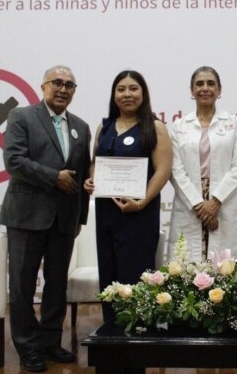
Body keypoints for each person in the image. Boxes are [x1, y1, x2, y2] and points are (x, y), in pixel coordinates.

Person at [0, 66, 91, 373]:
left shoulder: (81, 127)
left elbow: (82, 173)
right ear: (43, 86)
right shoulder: (21, 116)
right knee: (22, 285)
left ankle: (51, 341)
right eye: (57, 83)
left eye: (70, 85)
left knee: (56, 285)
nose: (63, 89)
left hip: (64, 219)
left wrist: (80, 218)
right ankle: (28, 346)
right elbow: (14, 161)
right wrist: (54, 177)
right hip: (26, 216)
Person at [83, 70, 172, 323]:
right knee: (109, 272)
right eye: (121, 89)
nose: (127, 94)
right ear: (114, 96)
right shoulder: (104, 127)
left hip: (139, 214)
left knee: (136, 274)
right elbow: (95, 162)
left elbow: (163, 170)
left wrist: (141, 202)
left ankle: (138, 331)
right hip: (107, 213)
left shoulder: (155, 127)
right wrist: (91, 179)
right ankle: (111, 330)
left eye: (133, 88)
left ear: (143, 93)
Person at [168, 66, 237, 263]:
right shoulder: (179, 126)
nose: (205, 88)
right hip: (190, 199)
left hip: (223, 198)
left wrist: (215, 201)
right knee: (186, 265)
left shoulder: (233, 123)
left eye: (211, 84)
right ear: (192, 90)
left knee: (227, 267)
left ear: (219, 90)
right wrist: (199, 204)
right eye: (199, 84)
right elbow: (175, 169)